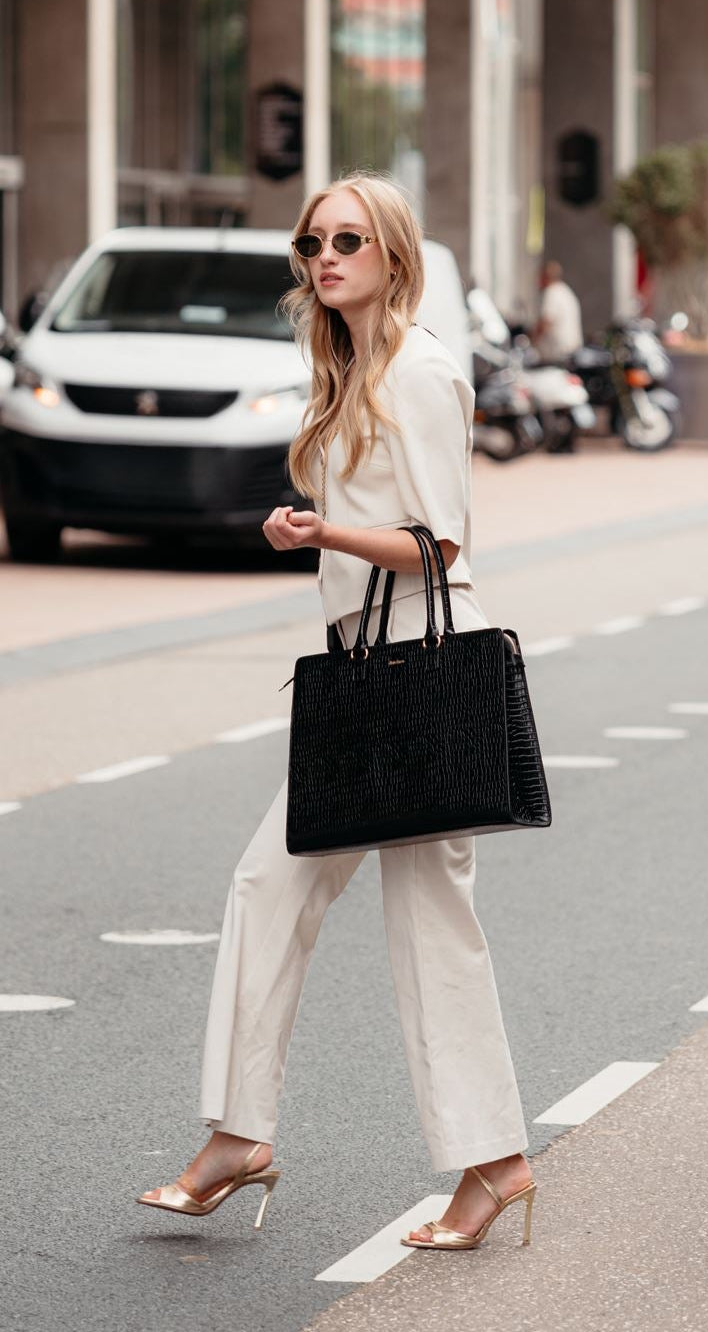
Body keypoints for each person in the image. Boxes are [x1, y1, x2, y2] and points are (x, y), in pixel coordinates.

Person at [138, 172, 537, 1252]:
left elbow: (438, 543)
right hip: (362, 669)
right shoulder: (349, 367)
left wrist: (323, 533)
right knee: (269, 884)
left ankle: (494, 1161)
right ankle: (240, 1134)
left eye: (348, 240)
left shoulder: (421, 371)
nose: (325, 258)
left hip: (419, 666)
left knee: (428, 923)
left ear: (393, 255)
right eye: (312, 242)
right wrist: (312, 529)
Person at [533, 260, 583, 362]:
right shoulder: (565, 291)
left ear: (545, 277)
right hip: (572, 350)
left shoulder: (552, 292)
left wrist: (532, 341)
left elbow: (546, 322)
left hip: (559, 354)